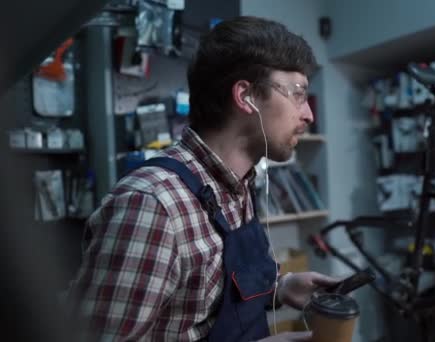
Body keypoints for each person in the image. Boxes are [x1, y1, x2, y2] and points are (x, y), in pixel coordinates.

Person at [67, 16, 338, 341]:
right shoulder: (153, 205)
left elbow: (202, 303)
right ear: (246, 97)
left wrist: (281, 289)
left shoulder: (240, 188)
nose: (309, 114)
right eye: (297, 93)